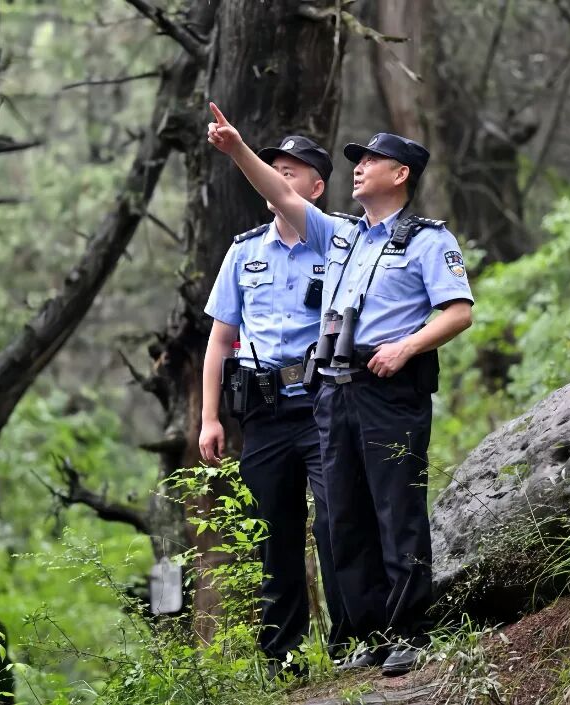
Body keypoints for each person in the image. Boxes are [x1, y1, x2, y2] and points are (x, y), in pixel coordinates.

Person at [206, 103, 474, 676]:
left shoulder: (427, 240)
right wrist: (236, 151)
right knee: (342, 518)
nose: (359, 167)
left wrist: (406, 347)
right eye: (356, 160)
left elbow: (458, 313)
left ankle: (410, 631)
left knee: (395, 508)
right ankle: (366, 635)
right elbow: (282, 198)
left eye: (372, 160)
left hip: (390, 384)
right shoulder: (344, 237)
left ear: (400, 174)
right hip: (334, 387)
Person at [199, 135, 347, 679]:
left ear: (316, 186)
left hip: (321, 404)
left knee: (335, 521)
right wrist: (210, 416)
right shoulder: (244, 252)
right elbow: (220, 339)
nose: (278, 178)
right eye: (273, 168)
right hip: (262, 412)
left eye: (290, 171)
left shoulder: (336, 242)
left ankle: (350, 639)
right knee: (274, 533)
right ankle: (283, 659)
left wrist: (239, 151)